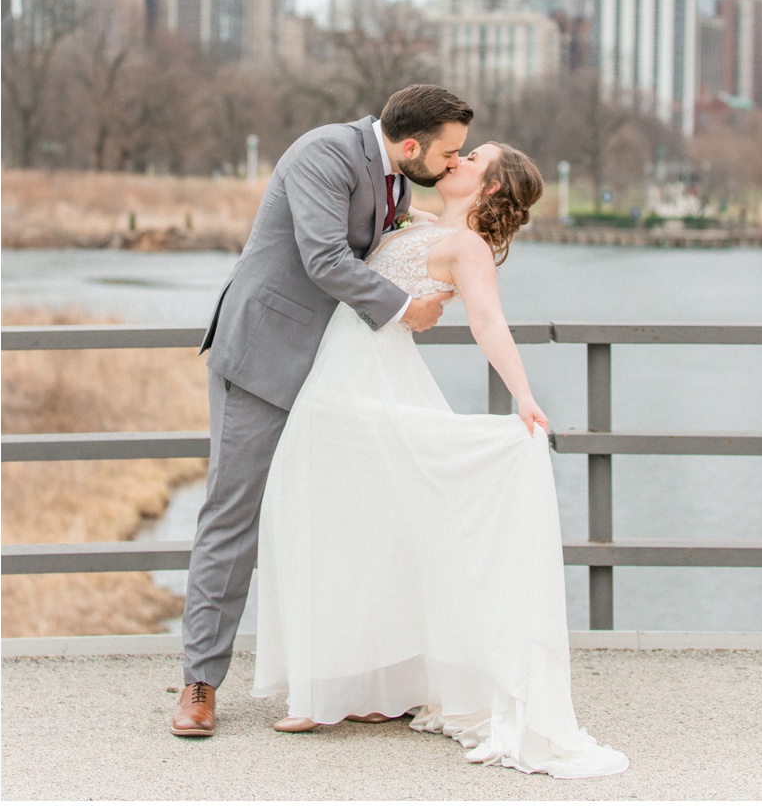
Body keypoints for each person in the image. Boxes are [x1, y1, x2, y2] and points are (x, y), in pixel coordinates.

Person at [252, 141, 627, 779]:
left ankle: (330, 696)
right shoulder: (416, 223)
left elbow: (489, 323)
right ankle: (364, 687)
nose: (456, 159)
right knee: (340, 524)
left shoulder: (468, 249)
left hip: (370, 386)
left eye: (472, 158)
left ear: (489, 187)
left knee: (357, 527)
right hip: (339, 380)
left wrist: (525, 398)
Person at [173, 85, 470, 738]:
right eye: (450, 153)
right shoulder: (324, 154)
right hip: (262, 356)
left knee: (359, 512)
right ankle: (199, 682)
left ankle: (357, 679)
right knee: (233, 515)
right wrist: (403, 306)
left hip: (333, 371)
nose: (454, 164)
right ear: (412, 144)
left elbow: (380, 246)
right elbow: (324, 256)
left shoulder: (400, 187)